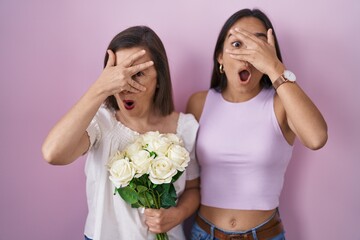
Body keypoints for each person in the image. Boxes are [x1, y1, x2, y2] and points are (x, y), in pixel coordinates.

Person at [42, 26, 200, 240]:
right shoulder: (101, 122)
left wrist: (178, 214)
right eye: (118, 74)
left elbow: (193, 188)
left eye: (138, 74)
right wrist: (100, 88)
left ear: (159, 78)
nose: (125, 85)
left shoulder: (185, 127)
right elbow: (53, 153)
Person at [186, 8, 328, 240]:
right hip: (204, 233)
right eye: (237, 44)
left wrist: (275, 68)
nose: (248, 55)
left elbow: (317, 138)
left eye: (259, 45)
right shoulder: (199, 103)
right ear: (220, 57)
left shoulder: (281, 104)